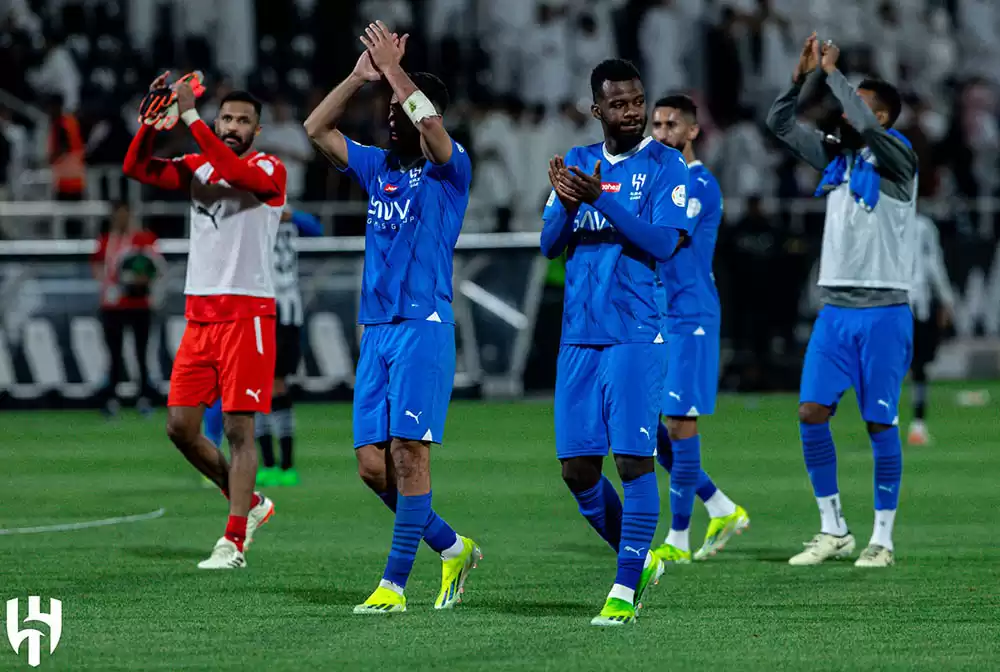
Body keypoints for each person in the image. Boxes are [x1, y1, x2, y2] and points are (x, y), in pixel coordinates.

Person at [304, 21, 479, 614]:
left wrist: (396, 73)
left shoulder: (450, 171)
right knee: (372, 468)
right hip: (377, 331)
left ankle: (395, 585)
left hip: (423, 326)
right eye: (389, 108)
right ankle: (451, 546)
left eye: (399, 108)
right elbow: (315, 129)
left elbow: (430, 128)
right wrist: (361, 76)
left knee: (409, 454)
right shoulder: (377, 167)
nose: (391, 116)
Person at [542, 58, 691, 626]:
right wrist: (569, 205)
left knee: (632, 460)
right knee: (577, 470)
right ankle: (640, 559)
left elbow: (663, 243)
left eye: (638, 102)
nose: (632, 113)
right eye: (619, 104)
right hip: (579, 335)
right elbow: (548, 245)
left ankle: (624, 589)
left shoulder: (666, 165)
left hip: (634, 331)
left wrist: (601, 200)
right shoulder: (578, 162)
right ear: (596, 109)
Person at [767, 35, 918, 568]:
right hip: (834, 311)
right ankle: (834, 530)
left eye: (861, 106)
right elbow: (780, 124)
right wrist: (803, 78)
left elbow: (870, 129)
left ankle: (883, 539)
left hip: (884, 312)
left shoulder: (899, 160)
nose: (847, 113)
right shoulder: (837, 158)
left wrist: (834, 75)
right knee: (811, 412)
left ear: (883, 116)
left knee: (879, 424)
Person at [123, 72, 284, 569]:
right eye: (227, 118)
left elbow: (236, 173)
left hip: (247, 314)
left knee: (239, 430)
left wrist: (190, 116)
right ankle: (249, 502)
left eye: (243, 121)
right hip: (200, 315)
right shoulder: (199, 166)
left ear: (256, 130)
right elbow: (136, 167)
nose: (233, 126)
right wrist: (151, 124)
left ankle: (233, 542)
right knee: (180, 427)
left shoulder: (269, 168)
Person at [648, 95, 750, 563]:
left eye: (672, 125)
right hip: (656, 312)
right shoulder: (656, 180)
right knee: (646, 426)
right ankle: (721, 506)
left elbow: (667, 240)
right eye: (656, 124)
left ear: (692, 131)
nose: (661, 132)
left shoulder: (698, 183)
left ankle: (678, 538)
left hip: (691, 315)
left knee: (679, 421)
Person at [255, 207, 323, 486]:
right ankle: (269, 464)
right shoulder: (253, 215)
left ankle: (284, 464)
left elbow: (316, 229)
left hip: (285, 312)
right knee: (259, 385)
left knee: (276, 384)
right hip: (261, 310)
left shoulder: (286, 215)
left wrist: (291, 215)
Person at [91, 201, 164, 418]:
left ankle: (144, 397)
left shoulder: (144, 239)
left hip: (139, 304)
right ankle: (111, 399)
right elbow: (96, 267)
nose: (121, 219)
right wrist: (110, 285)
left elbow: (156, 267)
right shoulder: (105, 241)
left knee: (142, 353)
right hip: (113, 306)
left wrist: (142, 282)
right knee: (114, 354)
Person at [907, 212, 955, 446]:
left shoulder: (881, 221)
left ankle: (883, 427)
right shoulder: (923, 226)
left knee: (889, 368)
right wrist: (946, 299)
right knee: (919, 368)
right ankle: (917, 424)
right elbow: (933, 264)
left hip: (888, 306)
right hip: (917, 306)